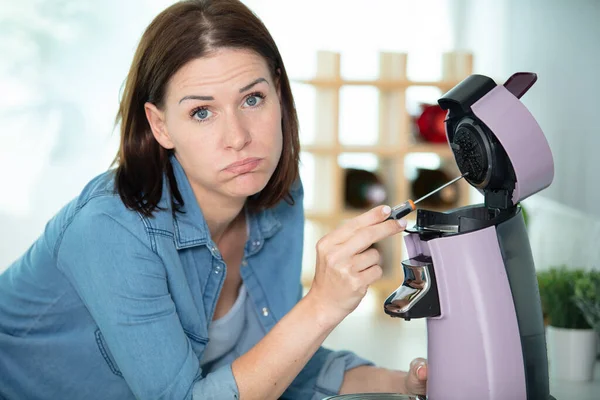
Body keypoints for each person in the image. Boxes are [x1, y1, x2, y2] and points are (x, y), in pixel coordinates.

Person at [0, 1, 428, 399]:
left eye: (252, 98)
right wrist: (322, 305)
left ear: (279, 94)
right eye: (202, 112)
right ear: (160, 125)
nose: (239, 138)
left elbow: (275, 359)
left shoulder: (276, 195)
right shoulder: (111, 230)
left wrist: (405, 384)